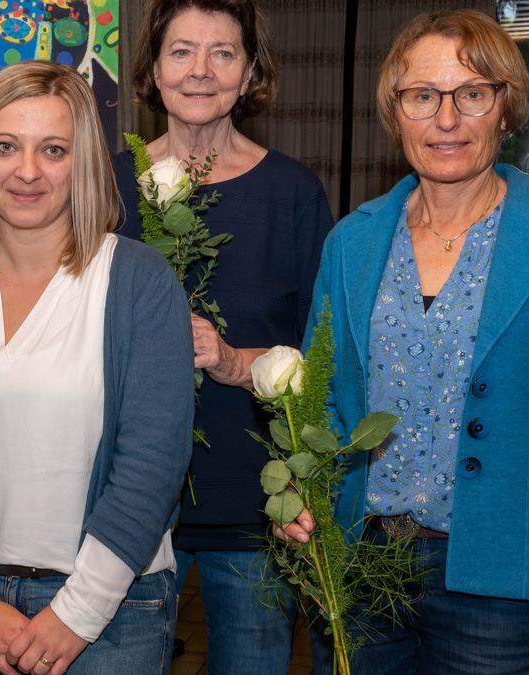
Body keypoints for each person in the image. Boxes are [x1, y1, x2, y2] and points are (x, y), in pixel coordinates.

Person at [281, 9, 529, 674]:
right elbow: (321, 406)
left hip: (506, 591)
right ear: (396, 111)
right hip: (363, 569)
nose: (447, 119)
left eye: (472, 93)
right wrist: (303, 500)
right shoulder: (351, 241)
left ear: (505, 107)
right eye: (423, 96)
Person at [0, 60, 193, 675]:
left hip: (113, 614)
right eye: (6, 146)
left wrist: (75, 615)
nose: (27, 171)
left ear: (82, 161)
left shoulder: (138, 283)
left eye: (53, 150)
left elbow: (153, 463)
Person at [112, 0, 333, 669]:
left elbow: (323, 359)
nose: (200, 71)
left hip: (258, 508)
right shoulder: (109, 183)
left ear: (249, 71)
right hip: (129, 501)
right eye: (181, 51)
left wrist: (235, 360)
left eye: (223, 52)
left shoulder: (293, 192)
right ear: (153, 68)